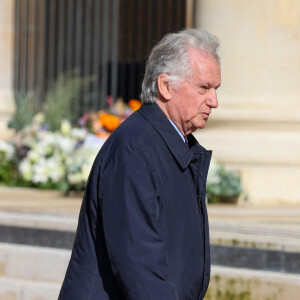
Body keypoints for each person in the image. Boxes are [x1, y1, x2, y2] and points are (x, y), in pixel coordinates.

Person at [59, 28, 221, 300]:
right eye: (203, 87)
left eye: (216, 89)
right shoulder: (135, 148)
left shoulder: (170, 145)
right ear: (165, 86)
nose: (214, 101)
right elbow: (138, 259)